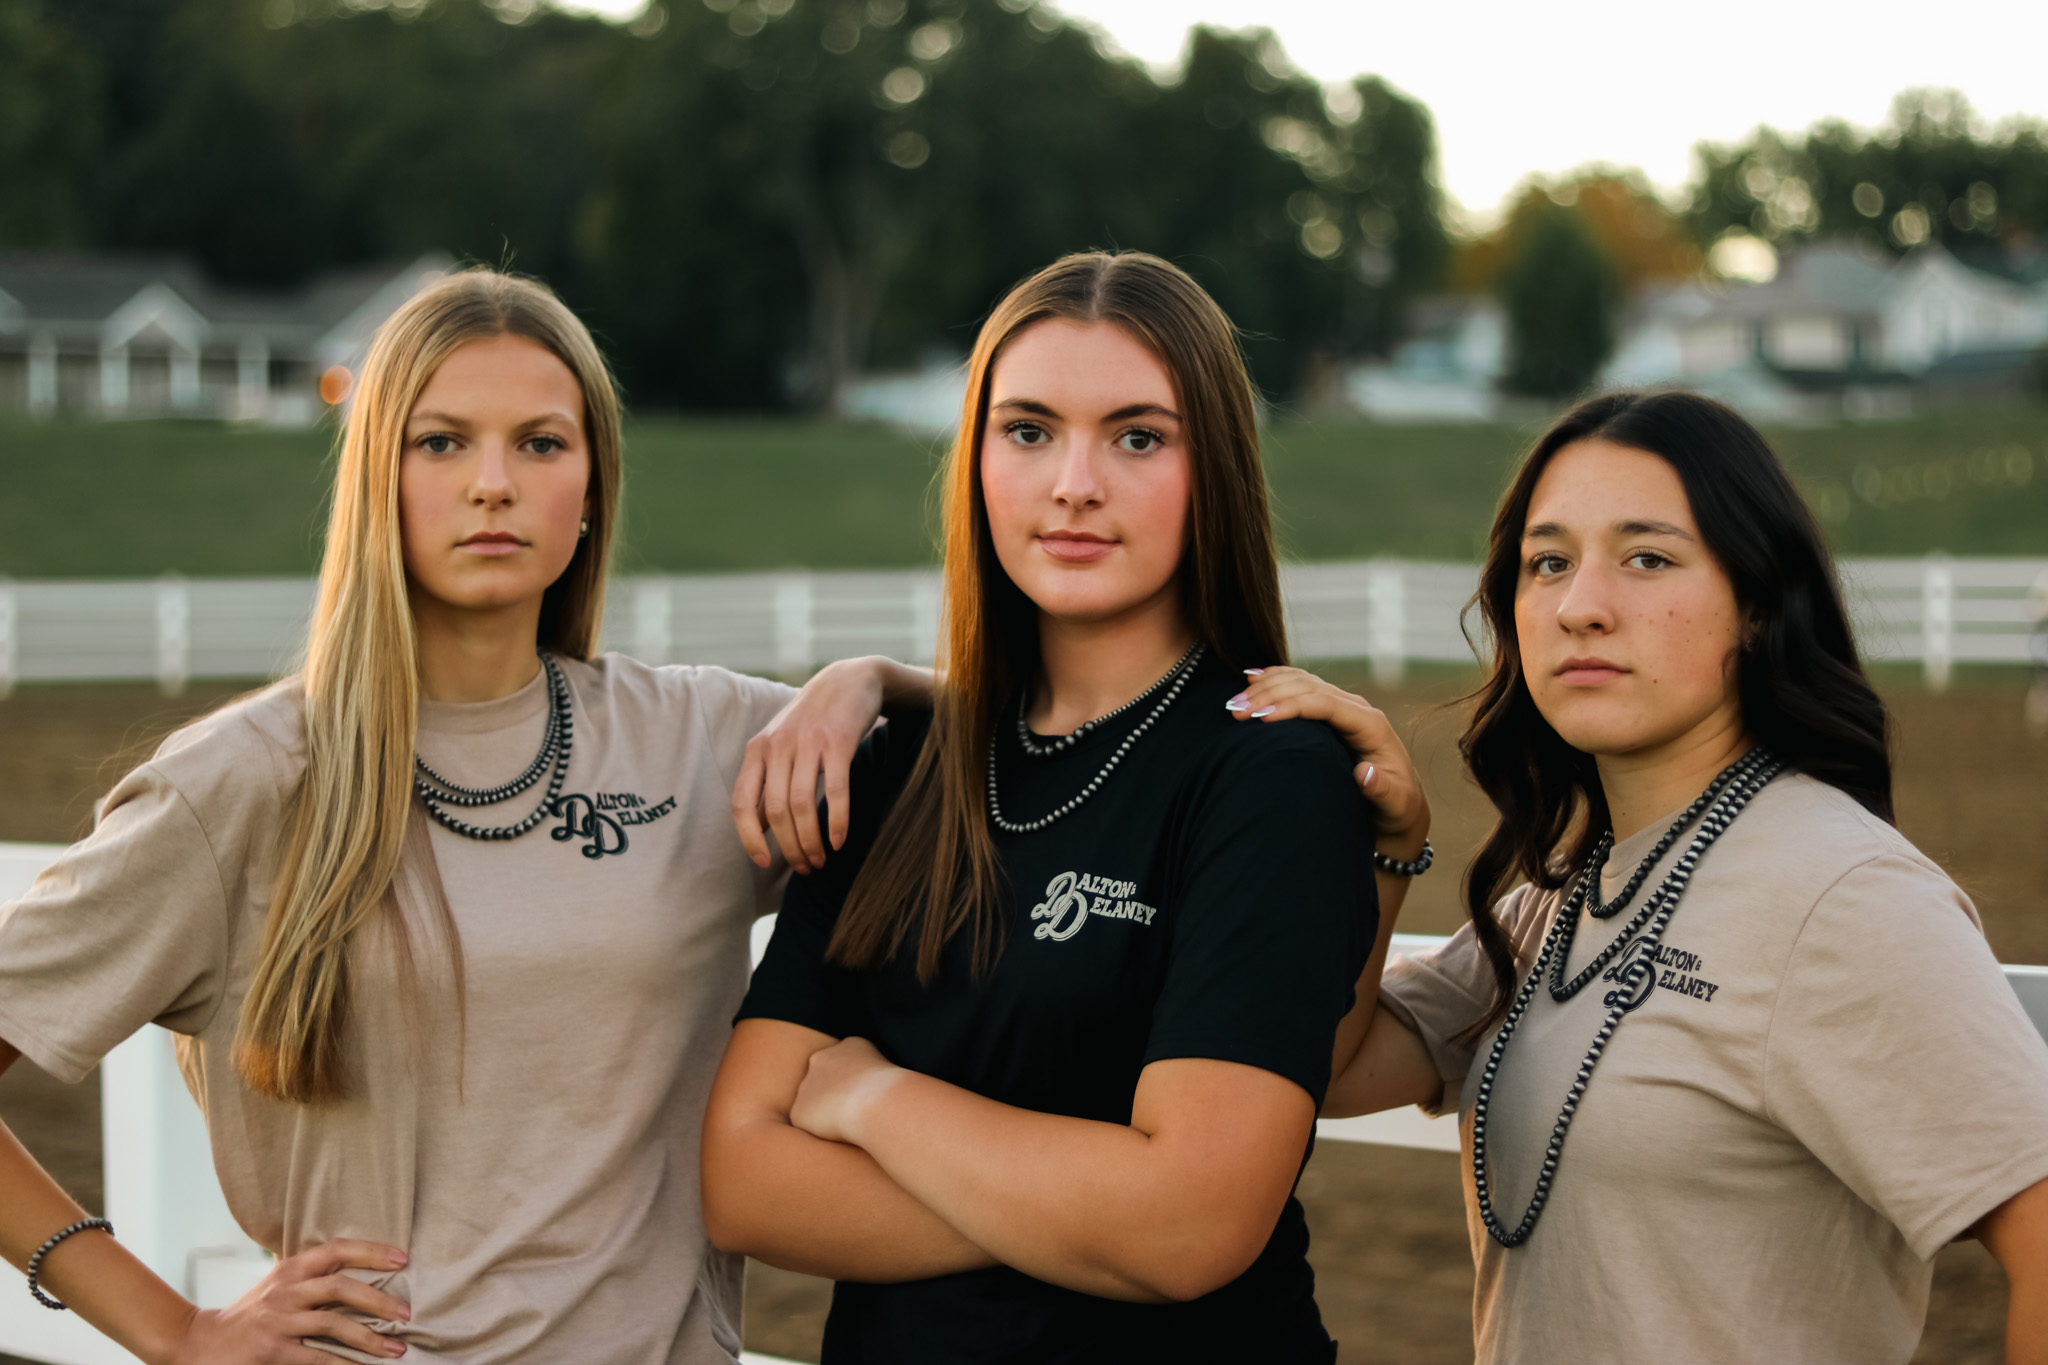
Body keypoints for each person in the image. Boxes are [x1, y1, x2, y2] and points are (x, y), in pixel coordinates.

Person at [0, 268, 929, 1364]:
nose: (493, 483)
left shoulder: (701, 742)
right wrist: (177, 1329)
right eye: (440, 443)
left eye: (540, 443)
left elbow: (1050, 740)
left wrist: (872, 680)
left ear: (590, 489)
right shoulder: (242, 782)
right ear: (375, 478)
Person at [700, 251, 1428, 1363]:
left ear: (1213, 470)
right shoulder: (896, 769)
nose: (1072, 483)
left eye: (1137, 436)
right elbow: (742, 1181)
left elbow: (1189, 1229)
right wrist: (1091, 1207)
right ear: (977, 462)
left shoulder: (1271, 775)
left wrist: (876, 1104)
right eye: (1028, 431)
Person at [1238, 390, 2048, 1364]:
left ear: (1753, 603)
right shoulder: (1565, 895)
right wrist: (1385, 848)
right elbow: (1318, 1068)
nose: (1579, 605)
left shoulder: (1841, 894)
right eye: (1547, 563)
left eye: (1646, 558)